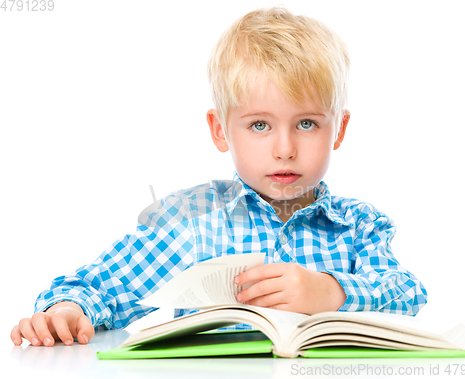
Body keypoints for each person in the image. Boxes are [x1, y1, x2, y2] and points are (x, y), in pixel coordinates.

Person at [11, 6, 427, 348]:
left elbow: (407, 293)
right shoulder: (194, 220)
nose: (284, 148)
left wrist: (332, 292)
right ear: (219, 130)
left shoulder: (357, 225)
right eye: (260, 125)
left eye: (306, 124)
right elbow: (104, 284)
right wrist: (65, 311)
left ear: (338, 129)